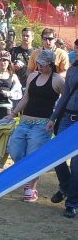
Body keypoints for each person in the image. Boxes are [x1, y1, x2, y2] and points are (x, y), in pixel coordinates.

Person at [6, 49, 64, 202]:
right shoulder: (32, 76)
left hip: (43, 124)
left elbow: (65, 101)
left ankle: (31, 188)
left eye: (43, 64)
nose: (39, 66)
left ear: (51, 65)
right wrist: (13, 114)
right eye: (38, 63)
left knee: (34, 156)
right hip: (25, 121)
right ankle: (27, 176)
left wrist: (55, 118)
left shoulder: (58, 80)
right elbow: (26, 98)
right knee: (15, 150)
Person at [47, 59, 78, 218]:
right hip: (66, 117)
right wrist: (53, 117)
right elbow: (65, 95)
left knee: (76, 164)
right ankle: (66, 187)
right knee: (55, 156)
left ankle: (72, 203)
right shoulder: (73, 69)